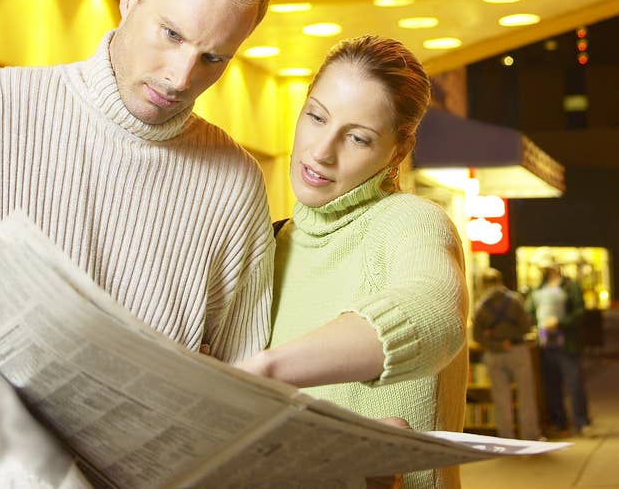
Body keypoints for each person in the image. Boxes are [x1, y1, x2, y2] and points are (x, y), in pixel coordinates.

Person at [0, 0, 275, 363]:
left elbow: (242, 372)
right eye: (172, 34)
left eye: (213, 58)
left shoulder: (236, 184)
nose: (181, 77)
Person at [236, 35, 469, 489]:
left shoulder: (410, 222)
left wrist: (265, 368)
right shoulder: (271, 242)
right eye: (317, 116)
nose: (322, 151)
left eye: (358, 138)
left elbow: (435, 312)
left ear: (397, 152)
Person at [527, 252, 593, 437]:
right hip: (544, 340)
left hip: (566, 341)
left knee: (574, 383)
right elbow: (531, 311)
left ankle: (581, 421)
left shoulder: (570, 286)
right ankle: (559, 421)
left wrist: (560, 322)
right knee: (551, 385)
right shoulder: (538, 288)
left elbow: (580, 313)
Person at [472, 268, 542, 441]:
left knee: (501, 399)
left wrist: (494, 341)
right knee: (526, 396)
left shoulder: (480, 306)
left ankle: (506, 439)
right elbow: (526, 327)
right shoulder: (514, 300)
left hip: (494, 355)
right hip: (517, 351)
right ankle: (530, 437)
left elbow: (477, 336)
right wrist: (510, 336)